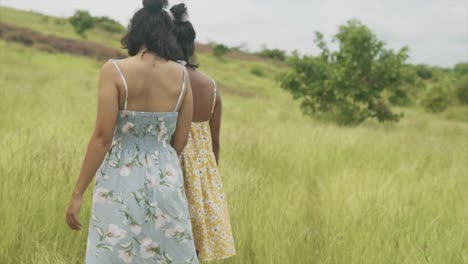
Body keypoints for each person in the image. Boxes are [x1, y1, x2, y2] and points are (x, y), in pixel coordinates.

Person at [65, 0, 199, 263]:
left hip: (120, 178)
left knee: (117, 252)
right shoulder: (182, 75)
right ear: (166, 33)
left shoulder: (114, 70)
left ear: (136, 30)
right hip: (165, 177)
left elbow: (102, 138)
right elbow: (181, 139)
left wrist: (78, 192)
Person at [170, 3, 236, 261]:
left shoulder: (168, 79)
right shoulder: (211, 85)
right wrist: (209, 180)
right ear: (191, 44)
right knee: (195, 249)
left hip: (172, 163)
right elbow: (215, 142)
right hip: (203, 172)